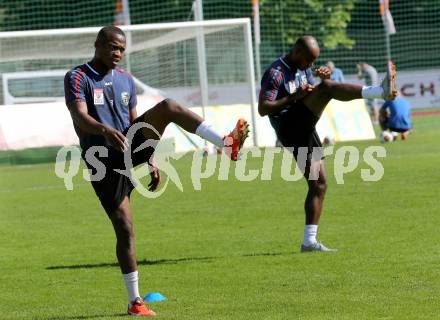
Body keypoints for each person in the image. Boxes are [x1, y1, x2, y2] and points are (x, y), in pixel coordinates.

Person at [64, 26, 249, 317]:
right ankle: (135, 302)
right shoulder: (78, 76)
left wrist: (149, 158)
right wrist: (104, 130)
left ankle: (226, 144)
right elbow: (79, 115)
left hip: (128, 145)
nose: (118, 53)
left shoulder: (126, 80)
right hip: (101, 159)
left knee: (168, 106)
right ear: (98, 44)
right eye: (113, 47)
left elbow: (136, 123)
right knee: (125, 228)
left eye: (122, 49)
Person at [258, 36, 396, 253]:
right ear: (297, 53)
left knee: (319, 184)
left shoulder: (301, 67)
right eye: (309, 61)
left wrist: (317, 79)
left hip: (302, 127)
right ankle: (379, 91)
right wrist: (295, 96)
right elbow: (263, 108)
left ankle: (309, 242)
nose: (311, 66)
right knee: (328, 89)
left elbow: (306, 90)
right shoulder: (275, 72)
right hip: (289, 125)